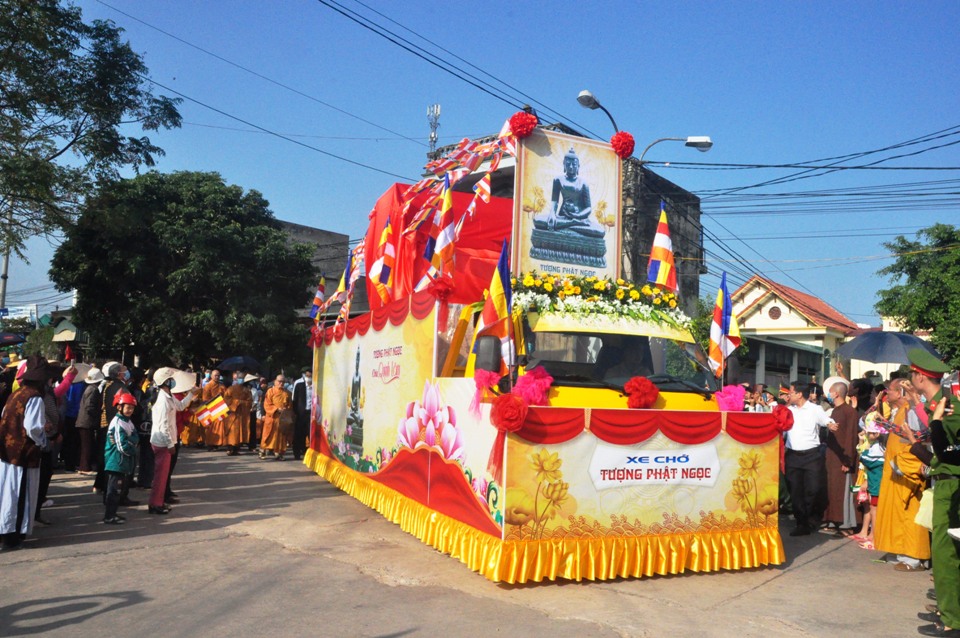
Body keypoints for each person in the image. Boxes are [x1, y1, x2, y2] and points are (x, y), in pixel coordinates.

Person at [906, 349, 959, 637]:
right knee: (944, 553)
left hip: (952, 485)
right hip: (946, 482)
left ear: (920, 376)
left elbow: (948, 451)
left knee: (946, 553)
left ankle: (952, 619)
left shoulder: (948, 407)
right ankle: (947, 611)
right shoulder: (939, 404)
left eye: (912, 374)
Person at [873, 377, 930, 572]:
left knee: (910, 514)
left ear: (900, 393)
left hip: (906, 469)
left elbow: (917, 440)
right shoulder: (898, 411)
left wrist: (905, 465)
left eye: (889, 390)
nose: (886, 393)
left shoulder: (911, 411)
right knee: (895, 513)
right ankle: (899, 551)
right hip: (894, 468)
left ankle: (914, 558)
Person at [0, 356, 53, 550]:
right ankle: (12, 538)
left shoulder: (15, 394)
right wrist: (41, 437)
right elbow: (32, 427)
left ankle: (6, 533)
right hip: (22, 455)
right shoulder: (35, 398)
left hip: (7, 452)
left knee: (7, 494)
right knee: (19, 496)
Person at [784, 381, 833, 535]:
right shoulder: (788, 411)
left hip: (812, 455)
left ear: (799, 394)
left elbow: (826, 420)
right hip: (792, 455)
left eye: (791, 392)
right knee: (795, 491)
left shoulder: (814, 409)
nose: (788, 395)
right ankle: (801, 523)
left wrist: (831, 424)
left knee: (813, 489)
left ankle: (812, 517)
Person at [149, 368, 197, 515]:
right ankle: (155, 504)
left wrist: (191, 394)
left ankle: (158, 501)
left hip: (166, 440)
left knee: (163, 475)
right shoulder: (163, 400)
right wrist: (170, 445)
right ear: (164, 381)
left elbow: (180, 406)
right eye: (170, 379)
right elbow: (163, 425)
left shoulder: (168, 395)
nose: (172, 381)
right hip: (162, 442)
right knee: (160, 475)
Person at [533, 147, 604, 238]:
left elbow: (588, 208)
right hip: (563, 217)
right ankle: (571, 224)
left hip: (579, 219)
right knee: (537, 220)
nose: (571, 167)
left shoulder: (583, 183)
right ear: (564, 164)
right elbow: (555, 201)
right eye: (568, 164)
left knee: (600, 231)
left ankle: (570, 224)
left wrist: (578, 216)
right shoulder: (558, 180)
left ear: (578, 166)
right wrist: (552, 214)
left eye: (574, 164)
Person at [822, 381, 860, 534]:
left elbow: (851, 437)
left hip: (843, 458)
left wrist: (847, 460)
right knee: (832, 489)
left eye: (830, 392)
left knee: (843, 491)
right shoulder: (835, 411)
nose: (828, 395)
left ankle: (845, 523)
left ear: (836, 393)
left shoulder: (849, 412)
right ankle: (833, 520)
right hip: (832, 457)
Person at [103, 392, 139, 525]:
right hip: (116, 461)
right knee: (113, 490)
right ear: (119, 407)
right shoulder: (118, 423)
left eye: (132, 408)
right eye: (127, 407)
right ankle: (109, 516)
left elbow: (135, 437)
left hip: (123, 461)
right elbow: (122, 445)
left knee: (118, 490)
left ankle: (113, 513)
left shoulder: (127, 422)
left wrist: (132, 442)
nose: (130, 410)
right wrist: (133, 447)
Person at [854, 418, 885, 549]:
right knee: (873, 509)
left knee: (875, 510)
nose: (868, 435)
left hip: (877, 483)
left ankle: (874, 537)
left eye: (870, 433)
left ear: (877, 434)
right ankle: (872, 535)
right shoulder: (875, 446)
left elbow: (866, 459)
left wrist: (864, 448)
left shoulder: (878, 447)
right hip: (874, 482)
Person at [75, 367, 104, 475]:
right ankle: (85, 467)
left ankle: (83, 466)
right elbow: (90, 407)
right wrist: (98, 415)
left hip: (83, 421)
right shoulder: (93, 390)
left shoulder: (89, 388)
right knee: (87, 446)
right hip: (87, 422)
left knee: (85, 445)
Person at [260, 375, 292, 461]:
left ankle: (279, 453)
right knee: (268, 435)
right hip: (272, 417)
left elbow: (290, 405)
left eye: (283, 382)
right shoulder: (270, 391)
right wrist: (276, 409)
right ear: (275, 381)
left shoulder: (287, 393)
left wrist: (286, 409)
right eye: (279, 381)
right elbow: (267, 404)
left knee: (281, 436)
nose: (281, 383)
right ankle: (263, 450)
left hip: (282, 418)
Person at [222, 372, 253, 456]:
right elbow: (226, 399)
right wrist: (236, 402)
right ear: (236, 379)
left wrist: (242, 402)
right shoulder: (230, 389)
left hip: (242, 414)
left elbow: (250, 402)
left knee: (240, 431)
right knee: (231, 431)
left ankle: (236, 449)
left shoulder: (246, 390)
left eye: (242, 378)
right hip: (232, 413)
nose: (241, 380)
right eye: (240, 378)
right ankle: (230, 448)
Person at [291, 367, 313, 461]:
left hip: (311, 413)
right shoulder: (298, 383)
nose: (309, 377)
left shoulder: (315, 385)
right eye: (307, 376)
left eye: (310, 376)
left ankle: (307, 452)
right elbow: (294, 399)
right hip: (300, 413)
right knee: (299, 433)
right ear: (304, 375)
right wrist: (295, 412)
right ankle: (297, 453)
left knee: (309, 433)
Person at [201, 369, 226, 451]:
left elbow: (226, 397)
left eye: (218, 375)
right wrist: (215, 400)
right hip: (211, 409)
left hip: (219, 408)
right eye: (215, 375)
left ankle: (217, 443)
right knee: (210, 428)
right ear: (211, 376)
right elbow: (205, 399)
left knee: (220, 427)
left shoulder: (222, 386)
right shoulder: (208, 386)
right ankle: (210, 444)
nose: (217, 377)